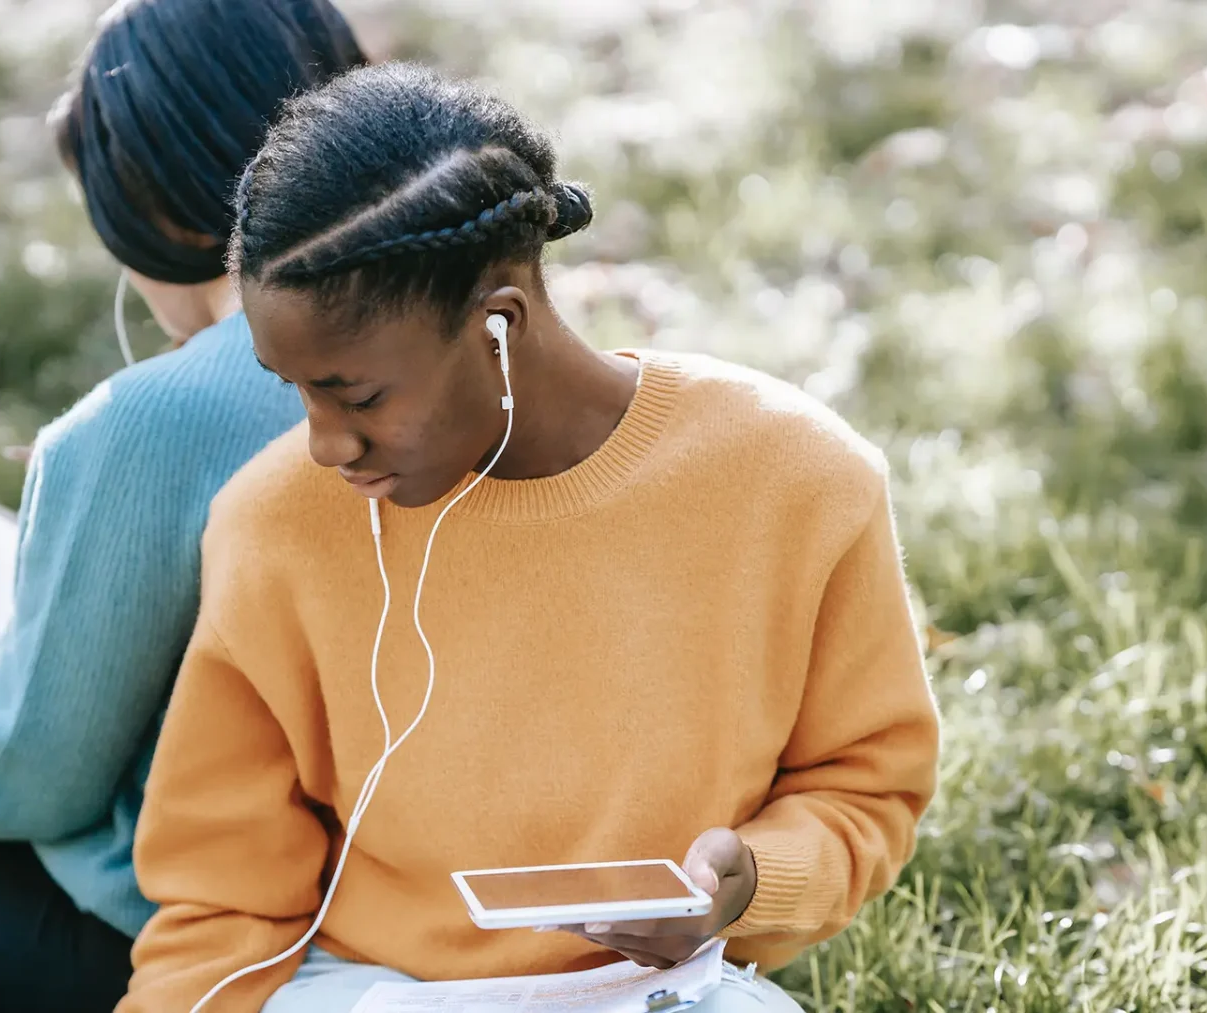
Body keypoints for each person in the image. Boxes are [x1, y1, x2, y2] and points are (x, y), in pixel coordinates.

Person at [118, 63, 942, 1013]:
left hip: (664, 993)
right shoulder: (274, 524)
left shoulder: (797, 479)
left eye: (358, 394)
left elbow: (865, 789)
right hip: (371, 993)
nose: (325, 441)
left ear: (498, 325)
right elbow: (219, 893)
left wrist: (749, 879)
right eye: (292, 388)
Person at [0, 2, 367, 1010]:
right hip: (417, 900)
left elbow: (21, 773)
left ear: (153, 209)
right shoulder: (456, 336)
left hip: (198, 944)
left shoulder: (155, 416)